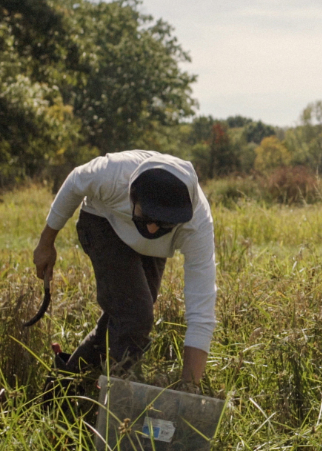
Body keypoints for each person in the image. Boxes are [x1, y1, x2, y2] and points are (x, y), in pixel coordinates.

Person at [32, 150, 216, 388]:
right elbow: (75, 182)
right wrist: (46, 242)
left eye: (164, 223)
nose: (151, 229)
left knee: (126, 315)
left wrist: (189, 389)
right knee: (134, 315)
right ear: (131, 194)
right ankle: (112, 403)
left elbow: (201, 314)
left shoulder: (196, 225)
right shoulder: (113, 174)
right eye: (145, 216)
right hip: (102, 221)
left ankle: (65, 385)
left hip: (153, 250)